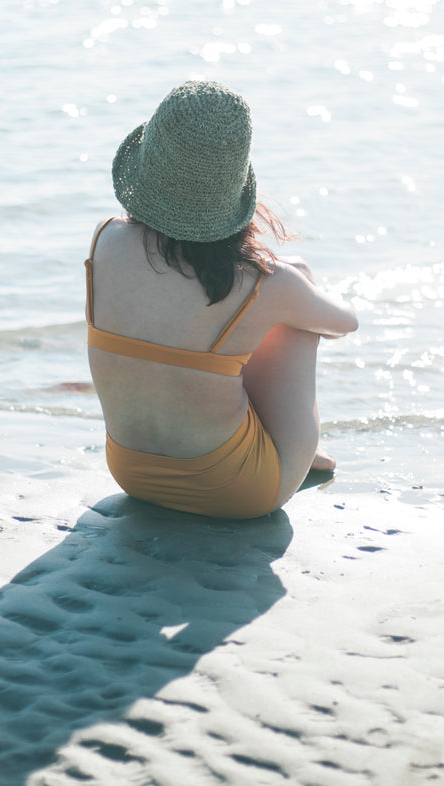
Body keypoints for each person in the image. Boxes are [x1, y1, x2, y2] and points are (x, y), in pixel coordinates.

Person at [85, 80, 358, 519]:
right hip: (240, 495)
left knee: (235, 328)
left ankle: (287, 450)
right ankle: (296, 454)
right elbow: (345, 323)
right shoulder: (262, 283)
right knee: (291, 290)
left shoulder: (106, 241)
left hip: (130, 472)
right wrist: (297, 287)